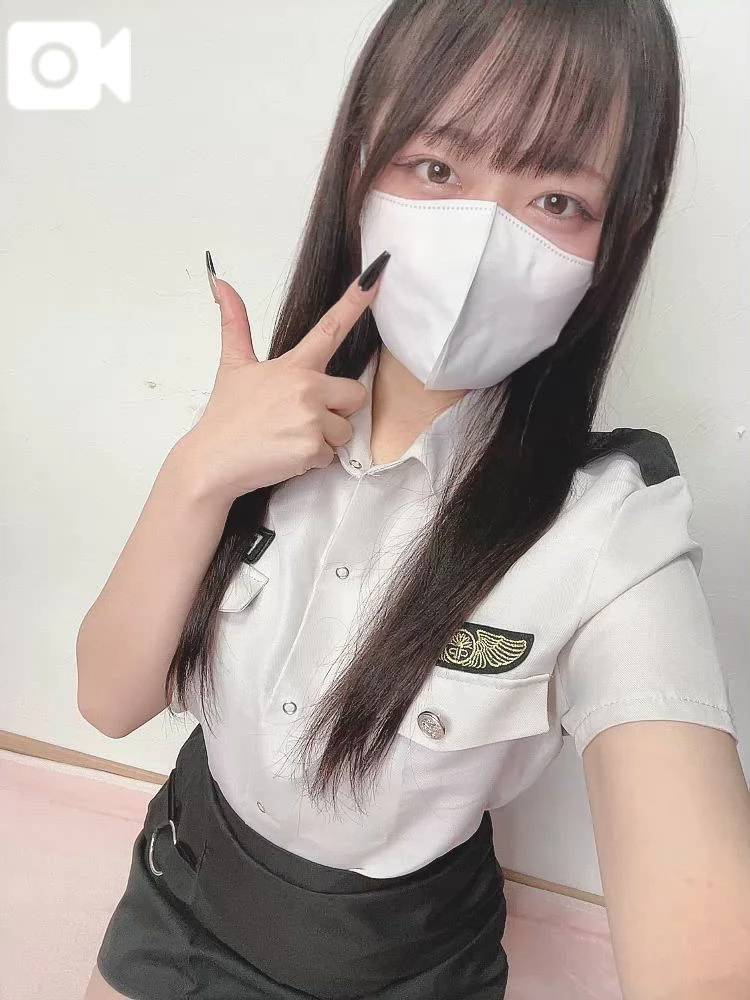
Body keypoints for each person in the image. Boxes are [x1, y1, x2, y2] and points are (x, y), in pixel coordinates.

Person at [79, 2, 750, 998]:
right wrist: (195, 474)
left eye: (557, 199)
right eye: (437, 168)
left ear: (615, 240)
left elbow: (705, 941)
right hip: (185, 899)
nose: (482, 240)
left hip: (407, 963)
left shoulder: (613, 530)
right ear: (361, 166)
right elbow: (110, 701)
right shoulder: (254, 431)